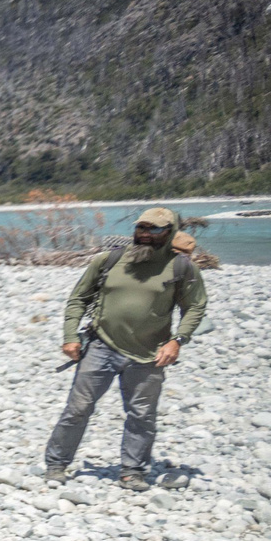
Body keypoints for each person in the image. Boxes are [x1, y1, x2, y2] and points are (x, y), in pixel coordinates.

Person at [44, 206, 208, 491]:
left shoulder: (182, 268)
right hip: (100, 346)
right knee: (78, 408)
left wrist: (178, 340)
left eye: (154, 230)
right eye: (141, 228)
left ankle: (132, 471)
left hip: (149, 354)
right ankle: (56, 464)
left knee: (142, 415)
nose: (145, 234)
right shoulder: (109, 260)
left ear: (170, 234)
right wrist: (70, 335)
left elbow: (195, 306)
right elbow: (77, 299)